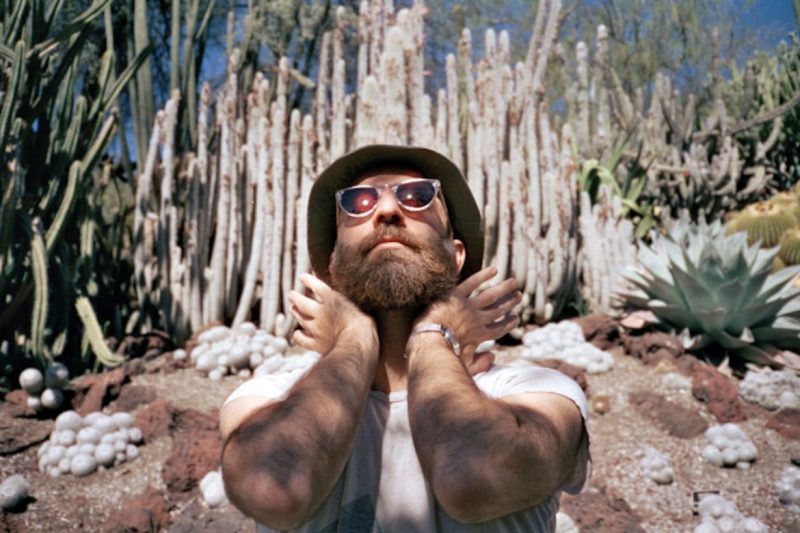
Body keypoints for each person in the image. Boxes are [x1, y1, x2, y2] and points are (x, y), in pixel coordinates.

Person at [220, 144, 591, 532]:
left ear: (456, 255)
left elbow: (472, 479)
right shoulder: (268, 397)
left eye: (418, 197)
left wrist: (431, 334)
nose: (387, 211)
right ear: (332, 264)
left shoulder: (535, 393)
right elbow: (273, 491)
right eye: (358, 202)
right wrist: (354, 337)